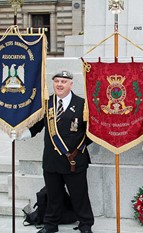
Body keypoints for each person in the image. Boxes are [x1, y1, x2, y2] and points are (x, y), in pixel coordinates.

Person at [19, 71, 94, 233]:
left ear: (71, 84)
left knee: (79, 196)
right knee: (54, 196)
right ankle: (50, 225)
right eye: (57, 81)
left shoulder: (82, 104)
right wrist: (21, 135)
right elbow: (36, 127)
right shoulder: (46, 104)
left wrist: (78, 148)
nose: (60, 84)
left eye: (64, 81)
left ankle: (86, 224)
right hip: (52, 160)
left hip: (75, 161)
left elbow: (91, 132)